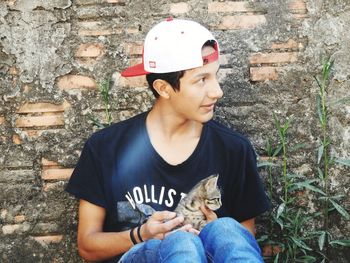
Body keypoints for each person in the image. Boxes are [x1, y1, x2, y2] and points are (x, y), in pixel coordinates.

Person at [65, 18, 270, 263]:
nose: (217, 91)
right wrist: (143, 234)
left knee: (225, 229)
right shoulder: (105, 147)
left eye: (214, 76)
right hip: (144, 255)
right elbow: (88, 247)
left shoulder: (234, 149)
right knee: (181, 242)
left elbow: (242, 239)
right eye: (201, 80)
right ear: (163, 88)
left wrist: (207, 233)